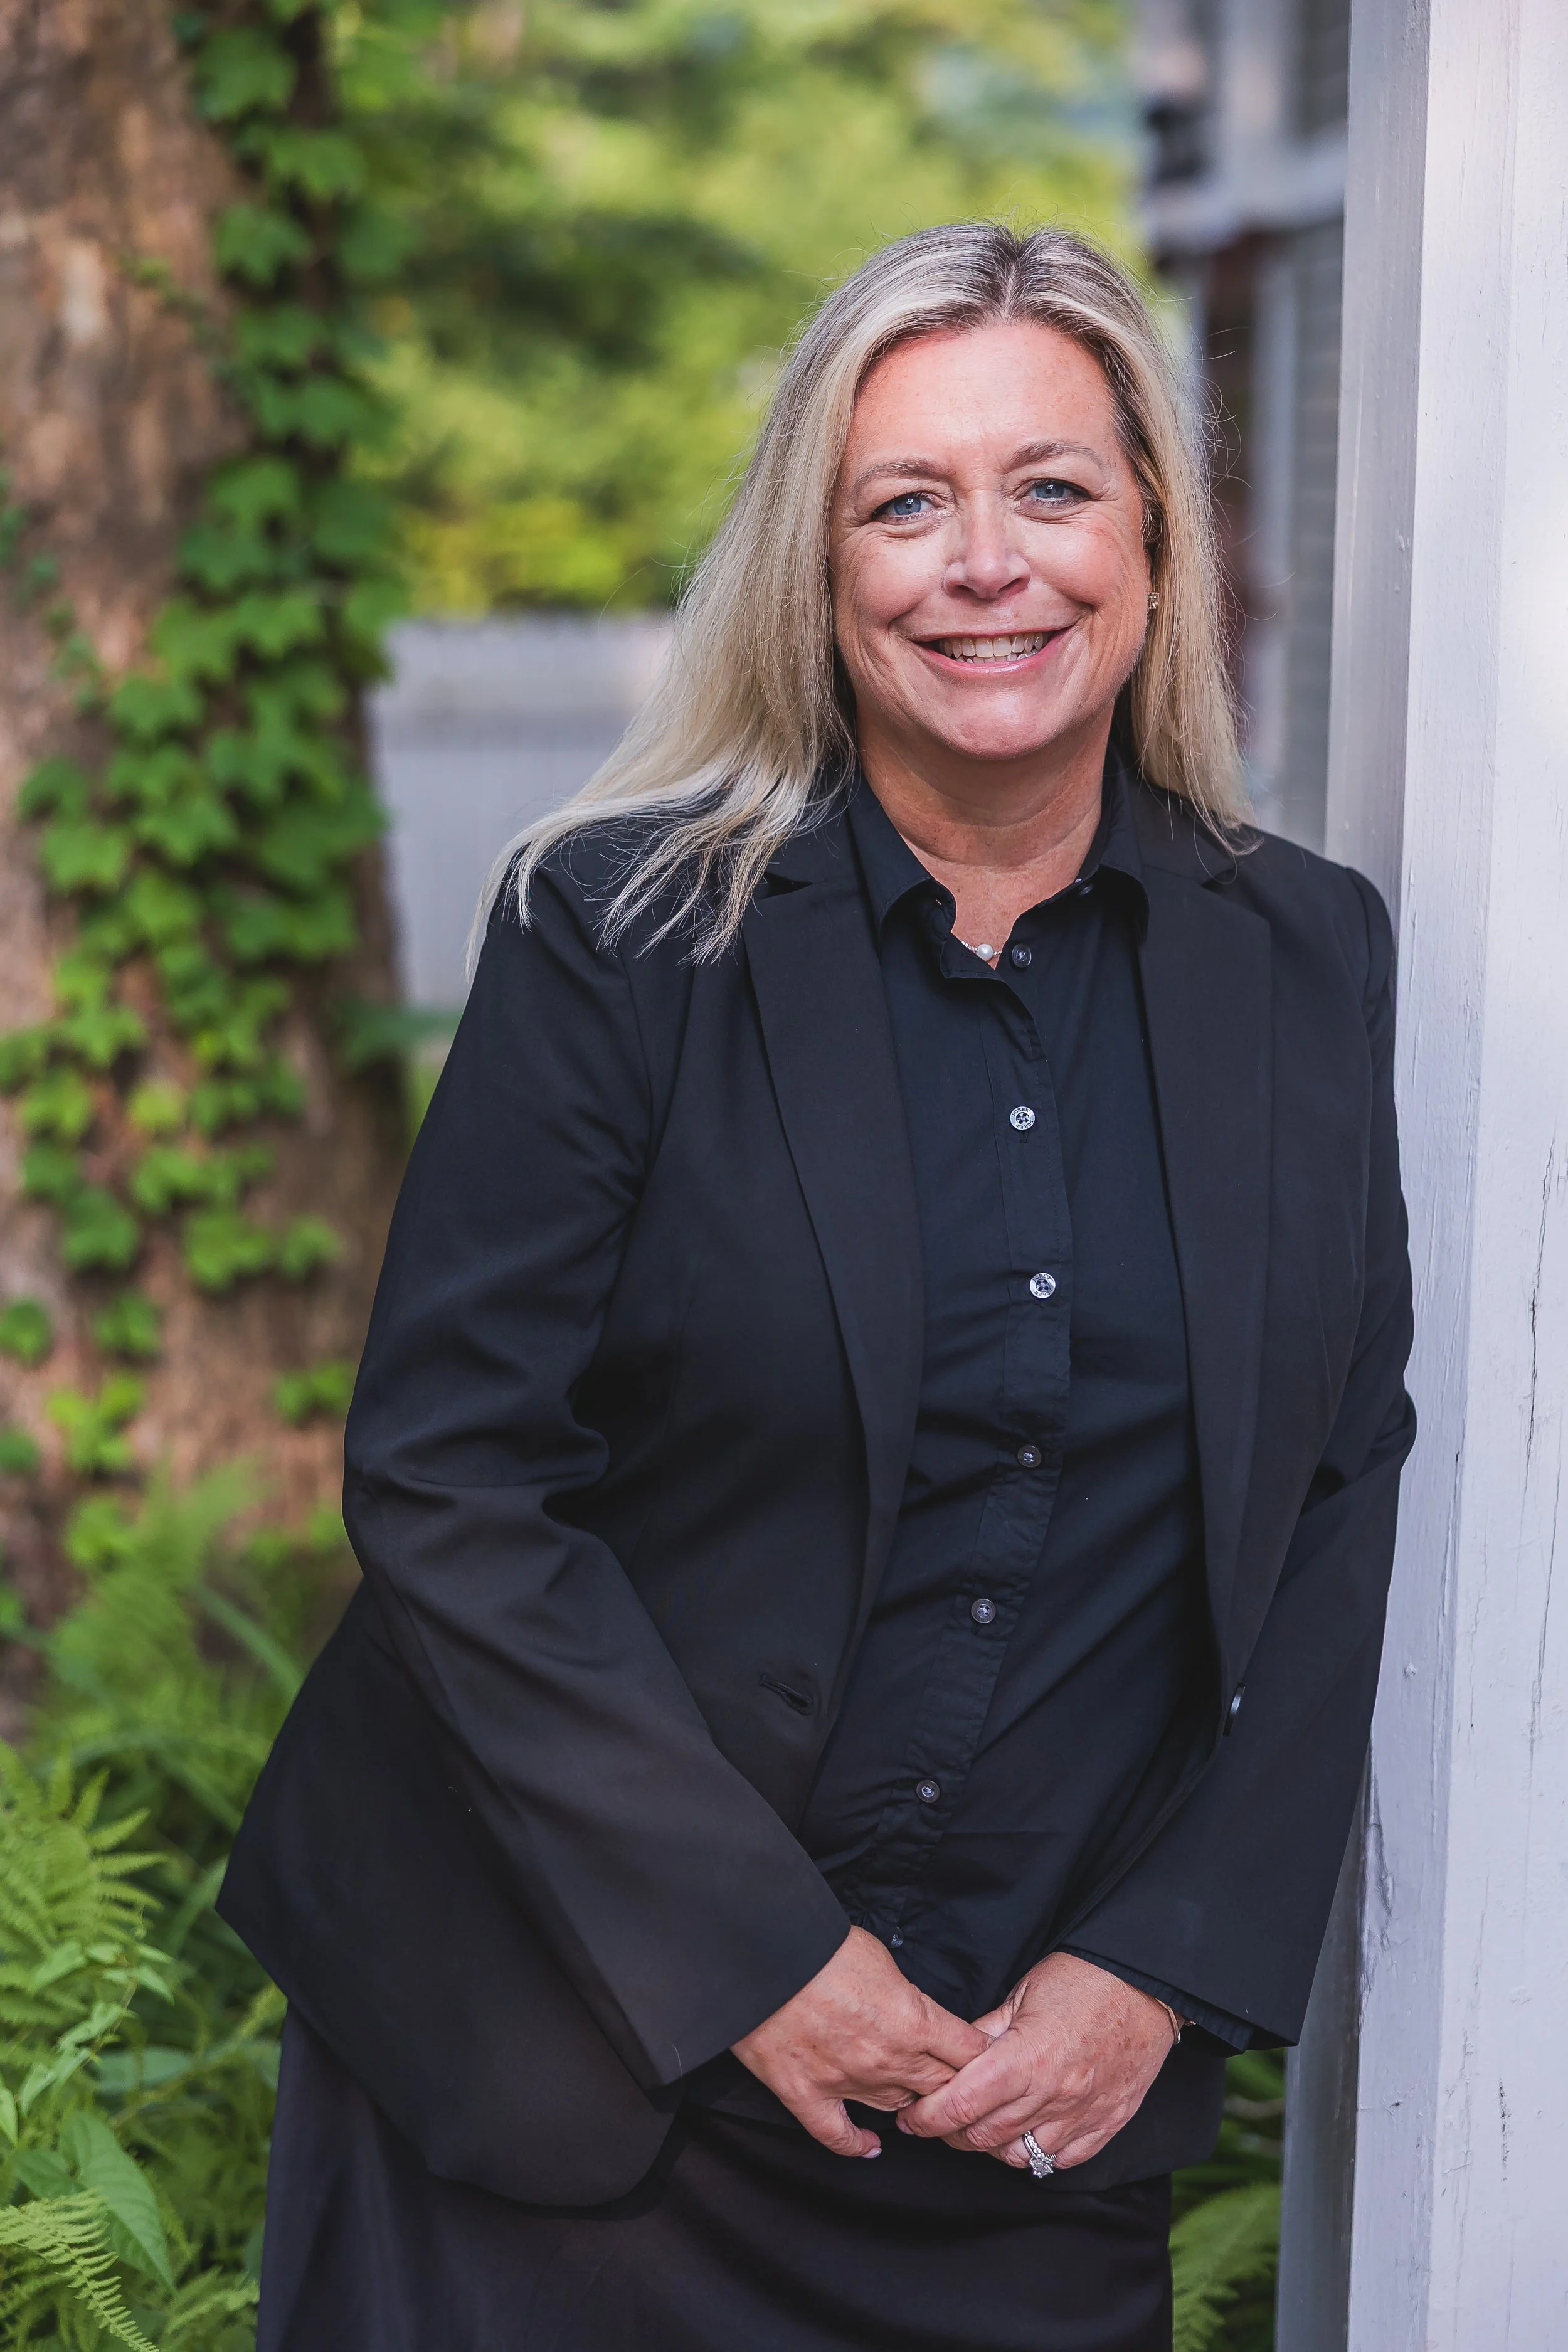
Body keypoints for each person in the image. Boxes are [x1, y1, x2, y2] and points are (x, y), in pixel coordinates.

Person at [220, 222, 1415, 2352]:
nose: (987, 563)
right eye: (905, 501)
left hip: (1012, 2099)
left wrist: (1162, 1962)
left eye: (1051, 487)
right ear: (818, 564)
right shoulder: (618, 935)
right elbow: (453, 1476)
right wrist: (754, 1956)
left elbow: (1338, 1481)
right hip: (572, 2058)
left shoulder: (1304, 960)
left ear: (1156, 539)